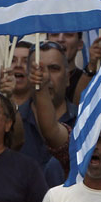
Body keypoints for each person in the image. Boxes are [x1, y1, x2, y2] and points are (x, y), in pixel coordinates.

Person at [19, 41, 77, 183]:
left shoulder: (85, 122)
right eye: (37, 70)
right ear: (28, 76)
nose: (45, 75)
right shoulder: (12, 122)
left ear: (68, 77)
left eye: (54, 69)